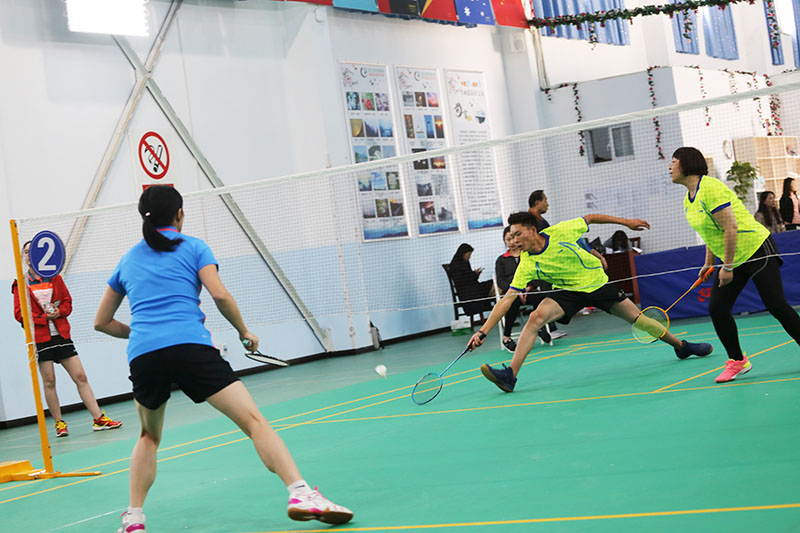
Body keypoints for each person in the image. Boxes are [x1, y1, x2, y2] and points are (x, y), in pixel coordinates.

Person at [94, 186, 352, 533]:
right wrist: (244, 331)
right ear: (179, 214)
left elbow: (101, 322)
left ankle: (134, 519)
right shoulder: (194, 247)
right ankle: (300, 493)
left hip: (144, 356)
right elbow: (219, 294)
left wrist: (143, 333)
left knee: (148, 436)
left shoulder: (127, 259)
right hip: (191, 348)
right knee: (254, 422)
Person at [468, 211, 713, 393]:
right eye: (511, 236)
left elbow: (591, 218)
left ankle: (681, 346)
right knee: (535, 318)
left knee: (639, 320)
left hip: (596, 284)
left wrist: (626, 223)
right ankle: (510, 375)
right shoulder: (527, 263)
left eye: (518, 234)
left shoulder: (560, 231)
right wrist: (483, 331)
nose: (514, 240)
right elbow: (507, 299)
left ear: (532, 230)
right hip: (568, 292)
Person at [670, 148, 800, 383]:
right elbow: (711, 232)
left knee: (776, 304)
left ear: (687, 164)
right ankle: (738, 361)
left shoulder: (710, 188)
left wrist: (727, 267)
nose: (670, 167)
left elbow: (731, 227)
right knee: (717, 308)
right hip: (733, 256)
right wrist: (709, 263)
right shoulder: (689, 199)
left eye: (674, 161)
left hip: (756, 247)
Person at [12, 242, 122, 438]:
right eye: (26, 252)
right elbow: (20, 314)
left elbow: (67, 303)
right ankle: (59, 423)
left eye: (32, 252)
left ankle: (98, 419)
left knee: (80, 376)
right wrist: (44, 318)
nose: (29, 256)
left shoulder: (55, 277)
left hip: (61, 335)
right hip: (40, 338)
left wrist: (59, 312)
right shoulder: (20, 283)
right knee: (49, 381)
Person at [495, 227, 551, 352]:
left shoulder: (528, 254)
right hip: (511, 293)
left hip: (528, 291)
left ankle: (539, 326)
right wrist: (515, 289)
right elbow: (500, 281)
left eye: (513, 238)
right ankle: (506, 337)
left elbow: (537, 275)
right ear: (504, 241)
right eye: (508, 239)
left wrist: (529, 287)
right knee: (512, 301)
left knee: (541, 296)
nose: (511, 242)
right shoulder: (501, 260)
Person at [448, 243, 495, 315]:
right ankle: (494, 306)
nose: (469, 257)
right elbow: (462, 281)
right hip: (469, 295)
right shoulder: (455, 266)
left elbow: (470, 278)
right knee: (494, 286)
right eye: (468, 255)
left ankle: (495, 305)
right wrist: (474, 274)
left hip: (475, 289)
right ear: (462, 254)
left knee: (495, 282)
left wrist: (476, 274)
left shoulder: (465, 262)